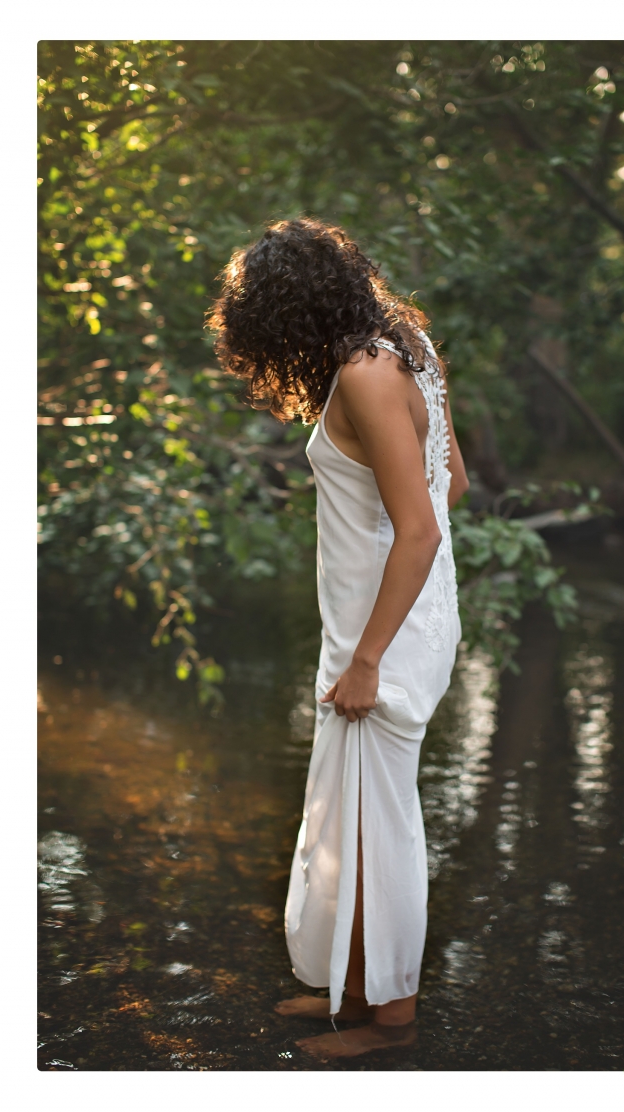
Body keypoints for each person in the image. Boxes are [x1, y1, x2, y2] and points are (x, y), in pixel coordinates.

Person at [209, 218, 468, 1060]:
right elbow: (453, 483)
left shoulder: (363, 373)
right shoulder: (410, 345)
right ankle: (354, 989)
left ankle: (392, 1021)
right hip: (390, 621)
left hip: (379, 640)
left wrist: (369, 657)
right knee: (352, 812)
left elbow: (421, 528)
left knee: (378, 824)